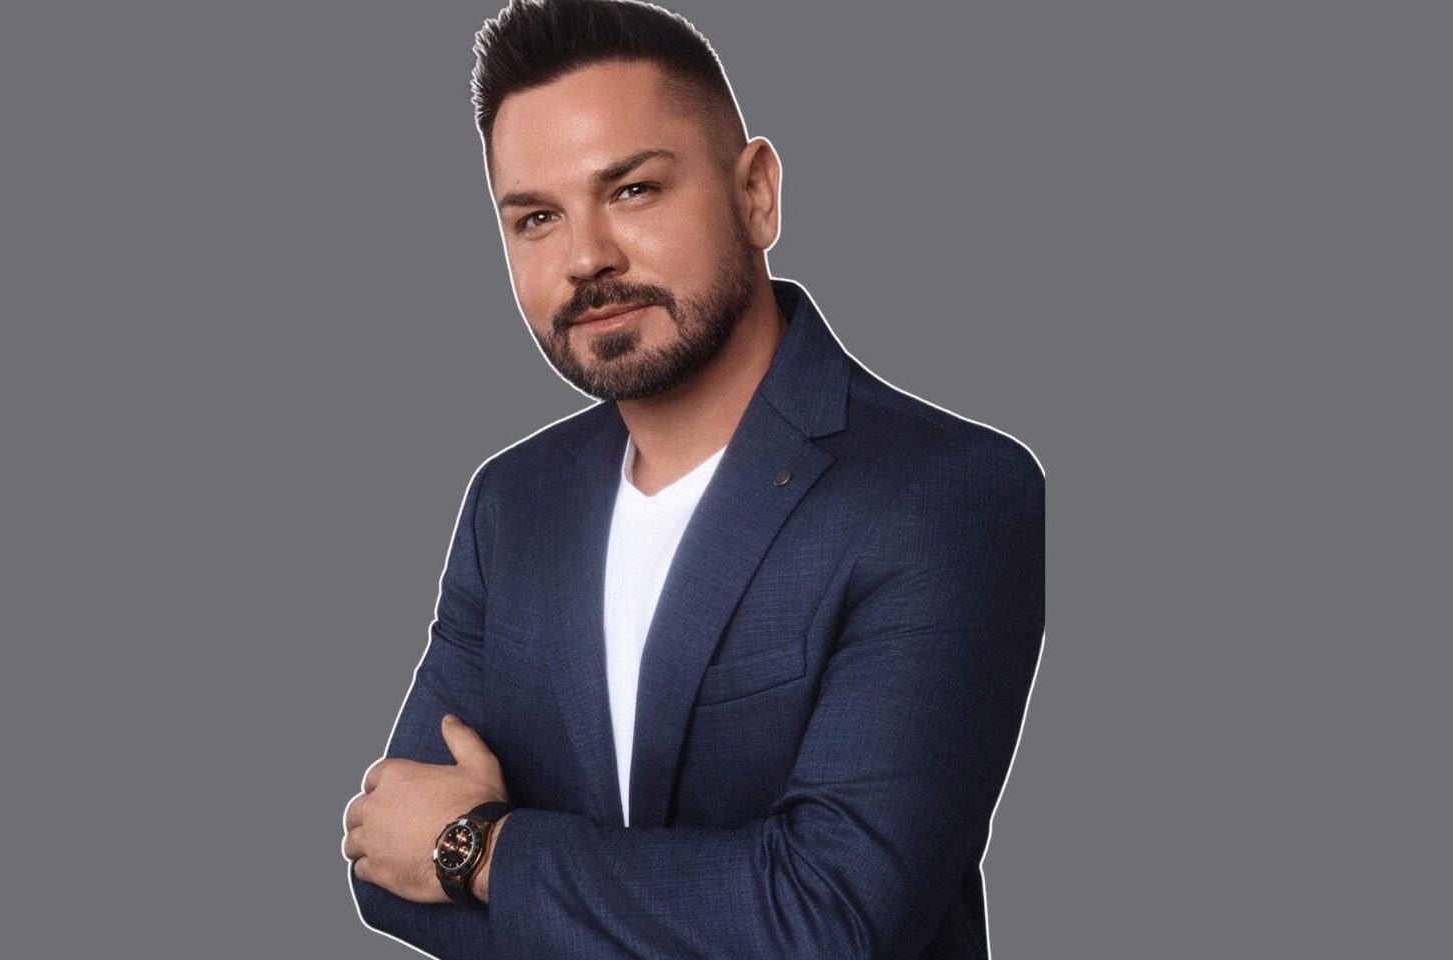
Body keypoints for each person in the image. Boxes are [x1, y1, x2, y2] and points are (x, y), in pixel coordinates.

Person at [341, 1, 1045, 957]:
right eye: (537, 217)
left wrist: (479, 850)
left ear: (756, 194)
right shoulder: (513, 504)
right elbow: (387, 861)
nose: (585, 257)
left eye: (632, 190)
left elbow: (830, 921)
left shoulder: (944, 496)